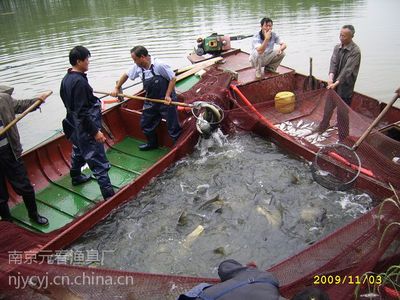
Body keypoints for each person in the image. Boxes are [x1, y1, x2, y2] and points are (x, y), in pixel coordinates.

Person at [60, 46, 115, 200]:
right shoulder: (80, 82)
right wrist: (95, 132)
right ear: (79, 61)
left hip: (72, 125)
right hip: (85, 127)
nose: (88, 62)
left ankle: (76, 176)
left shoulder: (67, 78)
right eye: (86, 59)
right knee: (98, 161)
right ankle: (110, 197)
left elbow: (67, 102)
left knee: (78, 150)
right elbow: (82, 113)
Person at [111, 46, 181, 151]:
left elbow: (172, 78)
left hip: (166, 100)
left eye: (135, 59)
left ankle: (178, 145)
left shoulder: (159, 65)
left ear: (142, 57)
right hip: (151, 100)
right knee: (146, 123)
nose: (134, 62)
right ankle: (152, 144)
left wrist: (167, 95)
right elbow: (126, 75)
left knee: (172, 125)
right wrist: (117, 88)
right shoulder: (137, 67)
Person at [0, 85, 50, 225]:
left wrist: (38, 100)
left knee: (25, 186)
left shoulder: (3, 99)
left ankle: (34, 215)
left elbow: (21, 106)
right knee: (0, 195)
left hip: (9, 151)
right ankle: (7, 222)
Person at [317, 25, 361, 140]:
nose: (341, 37)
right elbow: (333, 63)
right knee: (328, 108)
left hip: (346, 86)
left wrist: (336, 83)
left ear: (351, 36)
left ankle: (343, 136)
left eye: (344, 36)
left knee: (342, 114)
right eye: (340, 35)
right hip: (333, 85)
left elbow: (348, 70)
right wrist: (331, 77)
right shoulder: (337, 47)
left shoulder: (355, 51)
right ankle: (324, 125)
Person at [177, 259, 280, 300]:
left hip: (204, 297)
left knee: (203, 286)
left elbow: (224, 267)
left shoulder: (268, 278)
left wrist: (245, 269)